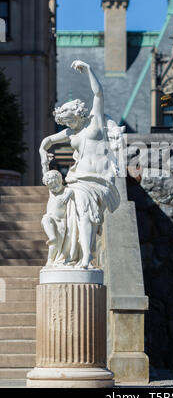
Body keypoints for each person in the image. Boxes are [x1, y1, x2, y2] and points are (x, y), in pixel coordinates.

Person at [39, 60, 121, 268]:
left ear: (78, 114)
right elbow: (47, 141)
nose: (68, 126)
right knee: (74, 217)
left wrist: (89, 70)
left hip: (97, 179)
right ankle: (76, 256)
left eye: (70, 121)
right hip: (77, 179)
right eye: (65, 123)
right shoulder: (71, 132)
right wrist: (42, 154)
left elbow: (98, 94)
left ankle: (86, 257)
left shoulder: (96, 122)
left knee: (85, 215)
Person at [41, 170, 73, 267]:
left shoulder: (66, 190)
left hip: (61, 222)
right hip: (51, 218)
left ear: (60, 181)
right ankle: (52, 237)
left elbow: (71, 190)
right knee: (46, 218)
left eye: (55, 186)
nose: (53, 189)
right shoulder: (52, 192)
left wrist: (68, 195)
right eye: (50, 186)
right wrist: (44, 162)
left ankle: (50, 260)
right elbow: (45, 173)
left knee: (56, 245)